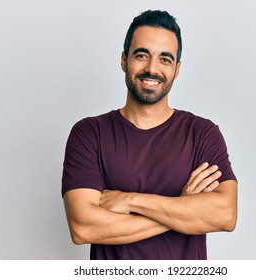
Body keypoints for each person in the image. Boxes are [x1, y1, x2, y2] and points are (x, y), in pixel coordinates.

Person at [61, 10, 238, 260]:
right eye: (142, 55)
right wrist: (183, 208)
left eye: (165, 59)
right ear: (124, 60)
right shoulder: (89, 134)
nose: (152, 68)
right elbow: (83, 227)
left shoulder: (202, 134)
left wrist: (131, 201)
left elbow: (225, 215)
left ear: (177, 69)